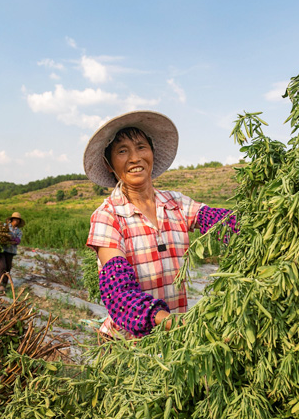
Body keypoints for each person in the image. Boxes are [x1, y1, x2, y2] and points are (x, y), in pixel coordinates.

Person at [84, 111, 237, 339]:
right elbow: (119, 293)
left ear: (152, 153)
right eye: (122, 151)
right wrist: (171, 322)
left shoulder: (175, 204)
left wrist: (262, 220)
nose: (135, 158)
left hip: (173, 341)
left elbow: (220, 221)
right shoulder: (108, 216)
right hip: (130, 347)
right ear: (109, 164)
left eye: (141, 147)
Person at [0, 212, 24, 291]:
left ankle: (4, 284)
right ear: (12, 219)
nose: (16, 221)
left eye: (18, 220)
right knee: (2, 266)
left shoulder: (19, 231)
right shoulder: (5, 226)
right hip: (2, 249)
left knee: (8, 268)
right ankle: (1, 284)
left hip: (11, 251)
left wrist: (10, 240)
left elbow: (17, 240)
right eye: (15, 219)